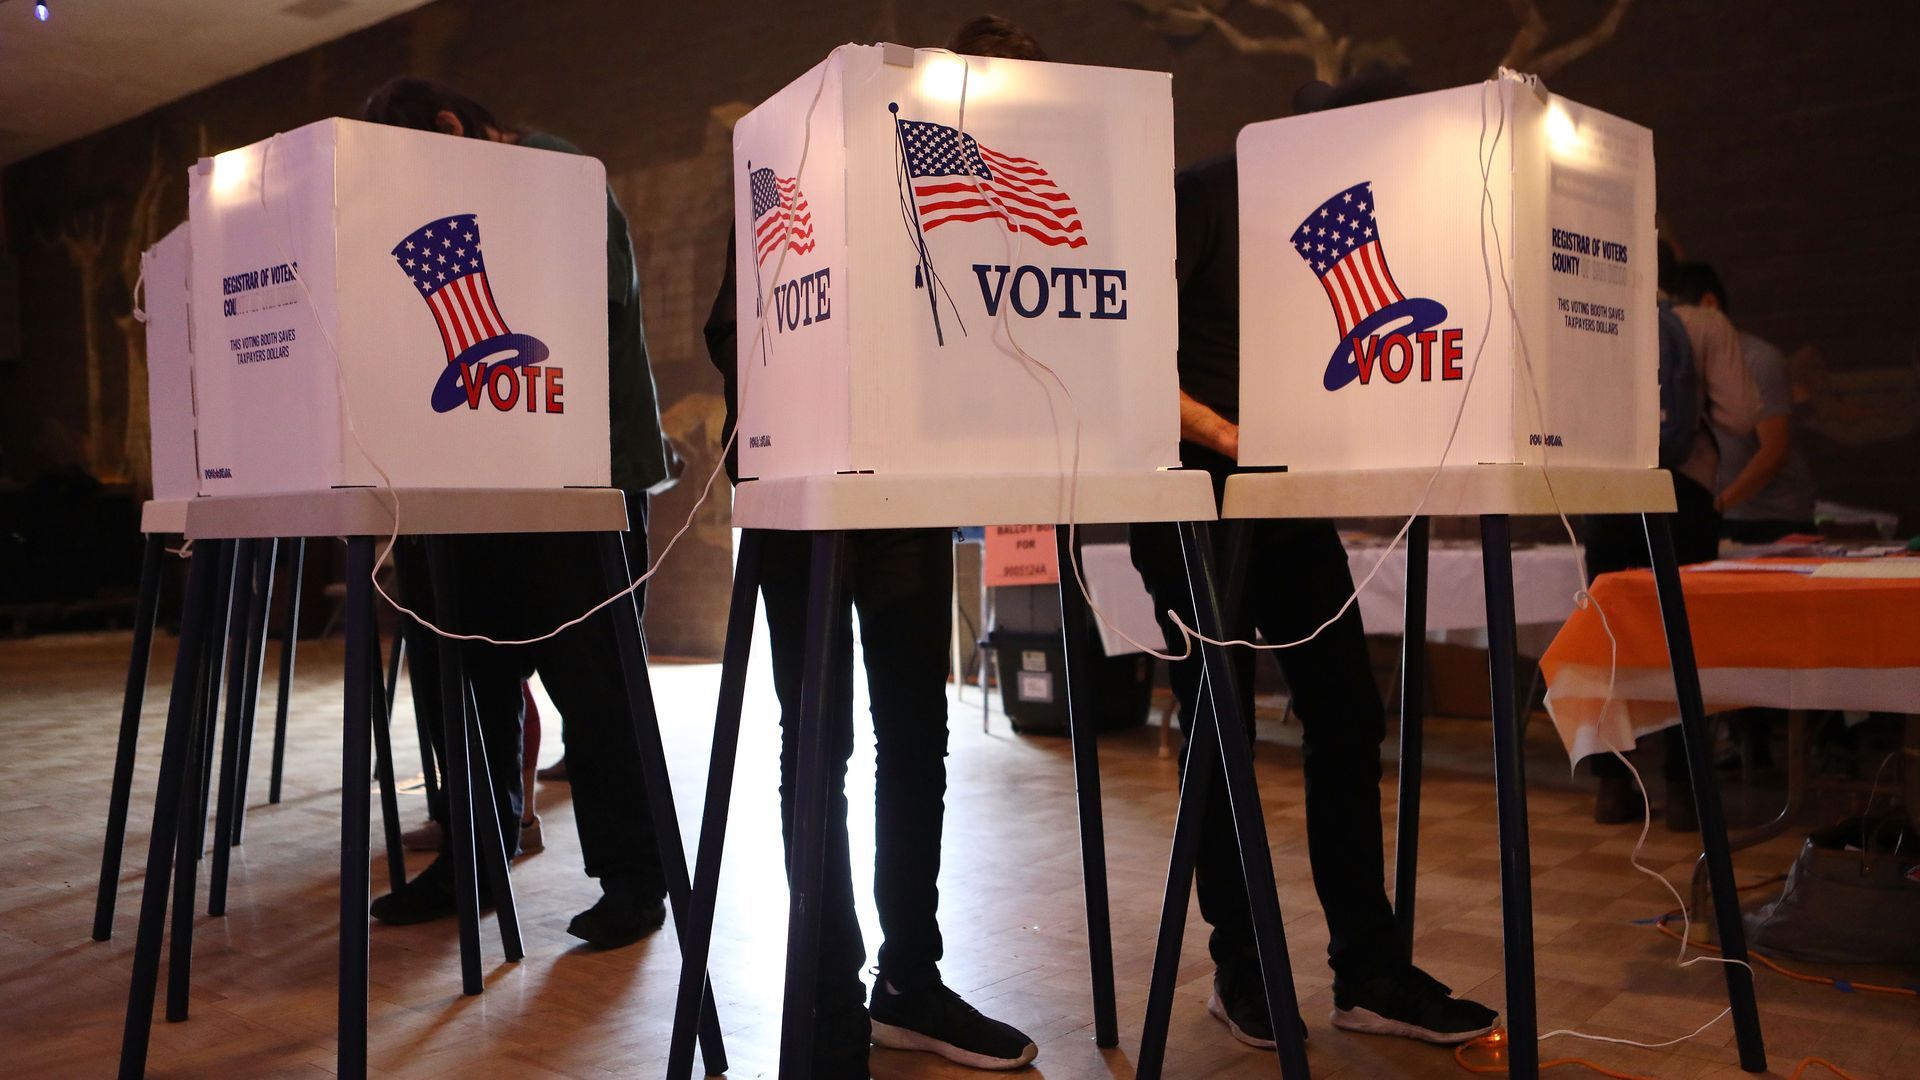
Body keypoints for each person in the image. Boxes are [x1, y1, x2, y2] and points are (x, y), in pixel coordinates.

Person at [697, 19, 1047, 1079]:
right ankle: (825, 996)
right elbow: (734, 323)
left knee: (917, 737)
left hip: (906, 496)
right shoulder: (826, 147)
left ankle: (911, 980)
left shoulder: (973, 184)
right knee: (820, 746)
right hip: (810, 498)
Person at [1126, 68, 1499, 1051]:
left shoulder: (1338, 218)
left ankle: (1368, 974)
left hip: (1282, 501)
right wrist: (1226, 433)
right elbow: (1119, 352)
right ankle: (1240, 971)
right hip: (1188, 497)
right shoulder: (1203, 194)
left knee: (1347, 712)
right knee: (1223, 734)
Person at [362, 76, 678, 948]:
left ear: (452, 128)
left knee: (596, 689)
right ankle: (475, 857)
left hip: (572, 476)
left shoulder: (555, 172)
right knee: (460, 676)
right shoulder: (472, 190)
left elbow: (588, 309)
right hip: (465, 472)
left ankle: (635, 878)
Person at [1584, 243, 1762, 826]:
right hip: (1681, 493)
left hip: (1606, 495)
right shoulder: (1706, 324)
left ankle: (1612, 786)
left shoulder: (1588, 319)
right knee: (1684, 640)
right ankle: (1686, 793)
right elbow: (1741, 416)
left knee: (1611, 641)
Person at [1665, 262, 1817, 542]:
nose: (1675, 328)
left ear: (1709, 304)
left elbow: (1774, 452)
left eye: (1682, 317)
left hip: (1774, 520)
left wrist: (1718, 504)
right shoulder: (1683, 359)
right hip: (1727, 515)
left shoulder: (1760, 360)